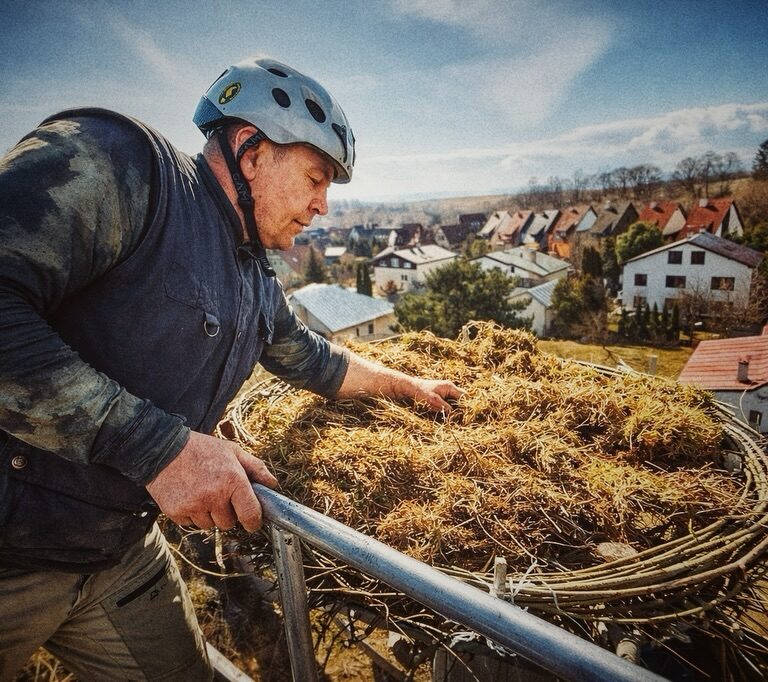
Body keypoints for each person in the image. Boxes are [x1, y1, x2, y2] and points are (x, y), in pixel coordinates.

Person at [0, 55, 462, 680]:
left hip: (114, 553)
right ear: (251, 152)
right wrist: (160, 450)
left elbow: (315, 361)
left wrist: (411, 386)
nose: (323, 205)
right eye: (315, 177)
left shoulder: (252, 277)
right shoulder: (122, 165)